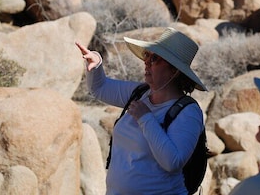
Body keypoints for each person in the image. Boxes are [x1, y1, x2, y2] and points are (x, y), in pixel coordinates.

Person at [76, 27, 207, 195]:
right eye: (147, 55)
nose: (146, 62)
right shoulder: (139, 93)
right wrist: (95, 64)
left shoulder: (188, 112)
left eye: (155, 58)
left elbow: (172, 162)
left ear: (174, 71)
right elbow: (99, 88)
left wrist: (145, 118)